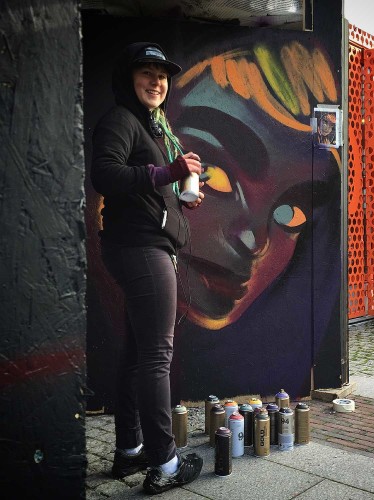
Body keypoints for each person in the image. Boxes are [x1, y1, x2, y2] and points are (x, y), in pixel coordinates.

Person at [90, 42, 204, 495]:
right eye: (146, 72)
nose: (157, 81)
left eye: (163, 75)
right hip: (140, 249)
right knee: (157, 357)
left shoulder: (151, 127)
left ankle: (129, 452)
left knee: (138, 355)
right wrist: (166, 175)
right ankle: (167, 462)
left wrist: (178, 201)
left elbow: (147, 190)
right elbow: (106, 175)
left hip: (142, 244)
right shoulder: (121, 120)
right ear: (127, 77)